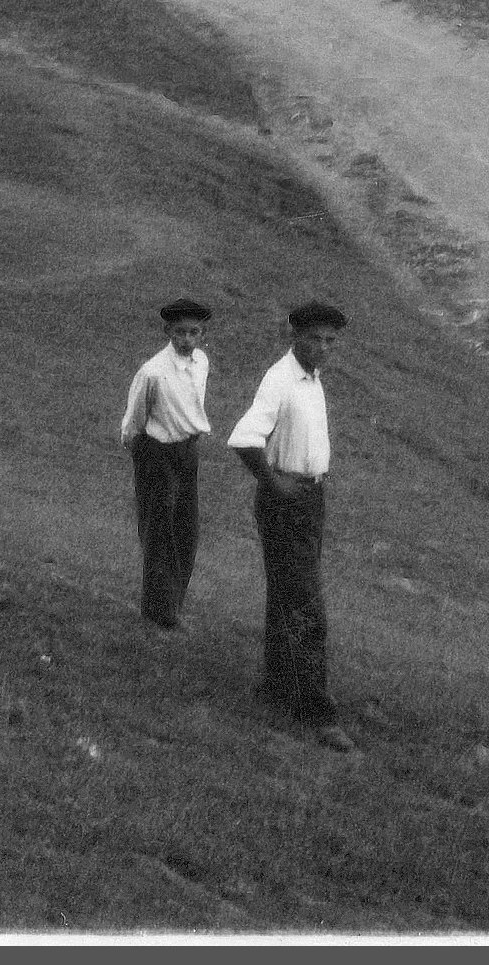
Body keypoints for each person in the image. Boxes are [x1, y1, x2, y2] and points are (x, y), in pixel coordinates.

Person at [230, 299, 352, 748]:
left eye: (329, 341)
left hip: (309, 497)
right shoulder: (280, 380)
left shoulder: (311, 380)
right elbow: (244, 439)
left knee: (287, 594)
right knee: (306, 604)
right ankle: (316, 712)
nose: (322, 348)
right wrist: (275, 485)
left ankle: (278, 686)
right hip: (289, 500)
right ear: (293, 337)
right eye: (314, 339)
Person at [118, 299, 214, 629]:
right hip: (157, 452)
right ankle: (158, 613)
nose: (187, 339)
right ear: (167, 332)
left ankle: (172, 605)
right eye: (180, 332)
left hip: (187, 451)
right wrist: (145, 454)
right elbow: (133, 422)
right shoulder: (153, 372)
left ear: (202, 334)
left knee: (186, 532)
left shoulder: (201, 362)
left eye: (194, 332)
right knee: (159, 533)